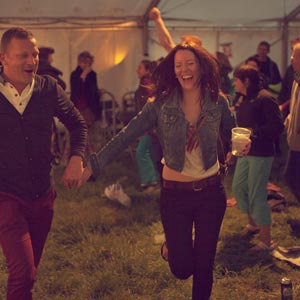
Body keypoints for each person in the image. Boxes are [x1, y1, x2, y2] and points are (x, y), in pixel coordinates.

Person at [81, 38, 238, 300]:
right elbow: (125, 136)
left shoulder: (217, 102)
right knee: (182, 268)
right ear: (173, 70)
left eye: (190, 63)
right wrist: (94, 164)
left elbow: (232, 133)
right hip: (175, 195)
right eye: (178, 65)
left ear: (201, 67)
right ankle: (173, 249)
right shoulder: (159, 105)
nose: (184, 69)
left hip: (211, 193)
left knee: (204, 265)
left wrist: (236, 149)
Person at [0, 27, 87, 300]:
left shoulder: (48, 88)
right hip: (6, 196)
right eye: (23, 55)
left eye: (34, 54)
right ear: (3, 58)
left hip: (43, 195)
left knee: (30, 272)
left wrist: (76, 158)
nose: (31, 61)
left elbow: (77, 124)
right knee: (23, 272)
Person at [231, 65, 284, 251]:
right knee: (238, 187)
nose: (233, 82)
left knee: (256, 194)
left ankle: (266, 240)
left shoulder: (265, 98)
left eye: (236, 79)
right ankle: (253, 224)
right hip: (246, 151)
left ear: (246, 81)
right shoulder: (243, 98)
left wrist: (255, 132)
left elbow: (278, 127)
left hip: (261, 153)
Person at [134, 59, 160, 190]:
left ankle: (150, 181)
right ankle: (155, 180)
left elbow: (148, 105)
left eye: (140, 68)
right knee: (150, 152)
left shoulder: (147, 83)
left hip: (149, 126)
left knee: (141, 151)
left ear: (148, 70)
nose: (137, 70)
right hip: (149, 125)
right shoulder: (146, 82)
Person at [284, 42, 300, 201]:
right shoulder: (296, 81)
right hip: (295, 141)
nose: (291, 59)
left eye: (294, 55)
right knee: (291, 178)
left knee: (292, 177)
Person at [70, 51, 101, 127]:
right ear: (80, 63)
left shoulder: (92, 74)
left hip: (91, 106)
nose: (86, 65)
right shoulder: (75, 74)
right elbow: (76, 90)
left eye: (88, 63)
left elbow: (93, 90)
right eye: (84, 62)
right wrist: (83, 76)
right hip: (80, 106)